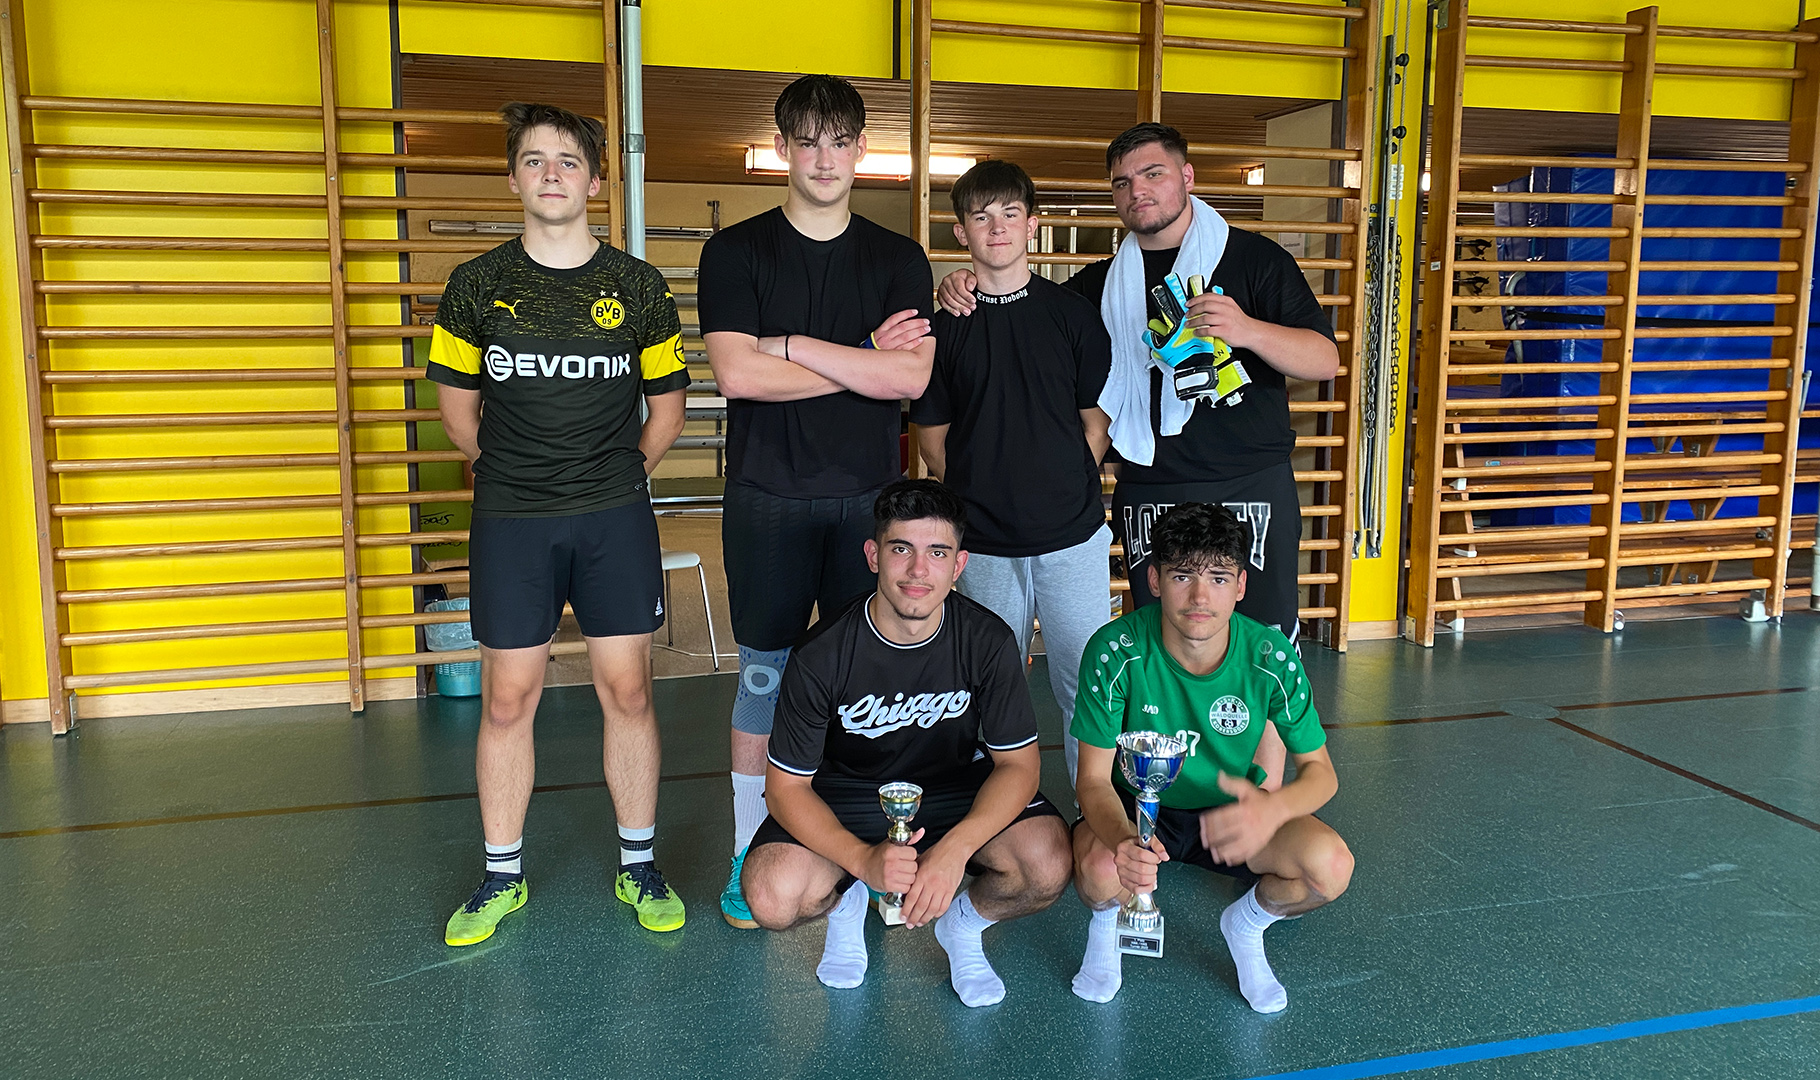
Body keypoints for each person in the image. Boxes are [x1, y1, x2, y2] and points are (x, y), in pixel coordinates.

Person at [936, 122, 1343, 786]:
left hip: (1247, 478)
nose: (1138, 191)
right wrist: (961, 286)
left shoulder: (1252, 259)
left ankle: (1262, 798)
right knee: (1159, 645)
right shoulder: (1099, 284)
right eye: (1122, 182)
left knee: (1262, 640)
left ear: (1187, 177)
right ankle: (1167, 789)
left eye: (1153, 174)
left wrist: (1245, 328)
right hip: (1150, 482)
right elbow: (1020, 306)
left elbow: (1324, 360)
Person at [429, 102, 690, 946]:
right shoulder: (475, 284)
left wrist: (613, 477)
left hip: (613, 516)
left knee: (629, 691)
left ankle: (639, 864)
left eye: (569, 161)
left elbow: (667, 411)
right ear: (513, 178)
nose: (552, 174)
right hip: (513, 520)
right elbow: (458, 417)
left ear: (596, 180)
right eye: (535, 160)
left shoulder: (638, 286)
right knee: (508, 699)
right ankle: (500, 875)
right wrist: (522, 475)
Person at [698, 74, 936, 929]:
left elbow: (908, 378)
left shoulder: (897, 258)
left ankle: (862, 851)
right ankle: (746, 850)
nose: (824, 158)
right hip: (767, 500)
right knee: (765, 677)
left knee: (861, 683)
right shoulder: (736, 252)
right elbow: (737, 375)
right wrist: (860, 356)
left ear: (862, 150)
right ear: (783, 150)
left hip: (866, 504)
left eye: (840, 142)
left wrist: (796, 346)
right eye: (808, 141)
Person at [741, 480, 1072, 1007]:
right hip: (846, 791)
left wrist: (954, 852)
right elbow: (785, 790)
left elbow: (1018, 766)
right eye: (901, 549)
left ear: (958, 565)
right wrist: (861, 861)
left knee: (1046, 865)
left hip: (954, 783)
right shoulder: (821, 653)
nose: (919, 570)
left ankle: (962, 928)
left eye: (937, 553)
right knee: (772, 896)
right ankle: (846, 906)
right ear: (874, 555)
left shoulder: (988, 640)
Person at [1068, 502, 1352, 1012]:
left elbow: (1321, 773)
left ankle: (1246, 924)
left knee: (1329, 866)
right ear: (1154, 580)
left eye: (1218, 578)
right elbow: (1091, 781)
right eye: (1182, 576)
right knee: (1098, 867)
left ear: (1240, 585)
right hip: (1139, 808)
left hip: (1231, 816)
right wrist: (1124, 841)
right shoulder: (1114, 650)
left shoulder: (1270, 656)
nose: (1200, 597)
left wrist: (1272, 808)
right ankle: (1106, 927)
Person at [911, 159, 1113, 787]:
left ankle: (1094, 814)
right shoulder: (943, 327)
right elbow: (934, 441)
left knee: (1088, 685)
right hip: (985, 545)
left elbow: (1096, 425)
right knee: (987, 688)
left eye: (1010, 213)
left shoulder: (1073, 315)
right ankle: (997, 818)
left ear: (1031, 224)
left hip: (1073, 537)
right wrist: (986, 495)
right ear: (961, 232)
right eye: (981, 217)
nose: (996, 228)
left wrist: (1055, 487)